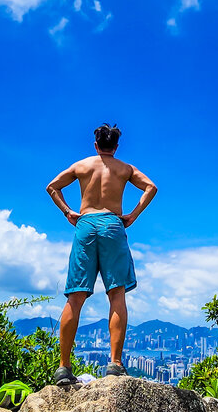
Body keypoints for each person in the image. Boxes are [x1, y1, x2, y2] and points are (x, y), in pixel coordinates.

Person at [46, 123, 158, 385]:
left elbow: (52, 186)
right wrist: (133, 215)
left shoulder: (82, 166)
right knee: (116, 294)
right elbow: (151, 187)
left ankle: (63, 368)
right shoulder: (125, 169)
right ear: (116, 147)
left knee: (75, 297)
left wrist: (68, 212)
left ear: (96, 145)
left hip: (85, 224)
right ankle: (115, 364)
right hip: (112, 224)